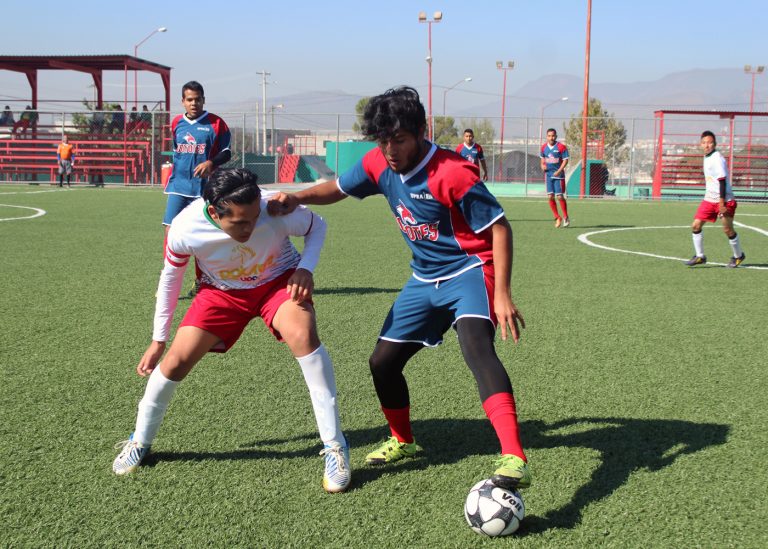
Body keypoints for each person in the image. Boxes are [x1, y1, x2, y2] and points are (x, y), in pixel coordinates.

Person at [269, 86, 531, 491]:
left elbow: (499, 226)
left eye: (400, 139)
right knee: (383, 362)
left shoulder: (452, 171)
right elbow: (337, 188)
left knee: (477, 347)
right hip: (423, 278)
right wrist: (297, 198)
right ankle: (403, 440)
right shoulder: (378, 163)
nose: (391, 149)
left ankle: (515, 457)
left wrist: (502, 294)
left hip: (470, 271)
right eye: (383, 140)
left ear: (421, 132)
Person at [112, 168, 351, 493]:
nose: (250, 227)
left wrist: (305, 269)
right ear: (214, 212)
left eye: (253, 219)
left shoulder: (272, 207)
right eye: (239, 223)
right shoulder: (185, 227)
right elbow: (171, 279)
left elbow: (316, 226)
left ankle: (335, 447)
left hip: (278, 284)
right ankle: (139, 440)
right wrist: (158, 340)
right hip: (221, 293)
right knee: (175, 361)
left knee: (303, 336)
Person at [164, 81, 231, 296]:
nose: (194, 103)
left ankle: (202, 280)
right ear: (183, 101)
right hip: (178, 186)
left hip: (204, 190)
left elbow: (227, 152)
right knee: (171, 232)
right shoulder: (176, 123)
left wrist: (212, 163)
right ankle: (169, 282)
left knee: (203, 235)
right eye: (189, 99)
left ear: (203, 99)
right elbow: (177, 152)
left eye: (198, 99)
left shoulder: (216, 123)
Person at [685, 130, 745, 268]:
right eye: (704, 142)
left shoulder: (717, 158)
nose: (707, 145)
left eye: (710, 142)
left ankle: (738, 256)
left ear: (715, 144)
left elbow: (722, 181)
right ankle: (700, 256)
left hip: (724, 200)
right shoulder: (706, 157)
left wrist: (722, 203)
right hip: (709, 200)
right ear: (701, 144)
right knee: (695, 226)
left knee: (728, 230)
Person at [540, 128, 570, 228]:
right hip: (548, 176)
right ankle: (557, 217)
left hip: (559, 176)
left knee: (560, 197)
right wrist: (542, 166)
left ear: (556, 136)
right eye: (549, 136)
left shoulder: (561, 147)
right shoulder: (544, 147)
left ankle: (565, 216)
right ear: (547, 136)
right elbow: (542, 160)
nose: (551, 137)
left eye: (553, 136)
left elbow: (565, 160)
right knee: (550, 197)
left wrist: (559, 170)